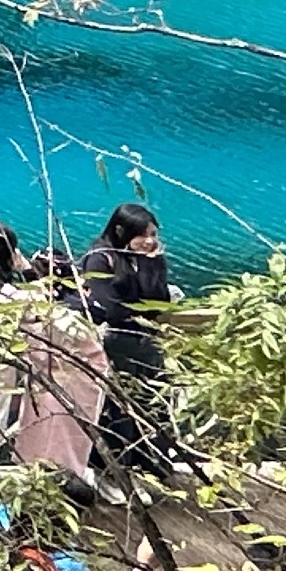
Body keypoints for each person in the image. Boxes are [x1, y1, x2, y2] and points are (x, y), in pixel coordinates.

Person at [81, 200, 183, 479]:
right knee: (118, 407)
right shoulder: (100, 258)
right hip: (114, 342)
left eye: (153, 234)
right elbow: (109, 309)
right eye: (144, 235)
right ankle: (118, 468)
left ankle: (156, 461)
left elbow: (160, 304)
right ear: (120, 230)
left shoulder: (146, 259)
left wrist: (152, 265)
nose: (150, 241)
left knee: (155, 399)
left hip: (145, 341)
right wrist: (141, 310)